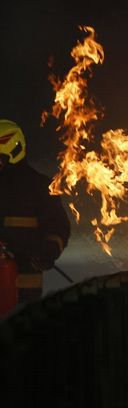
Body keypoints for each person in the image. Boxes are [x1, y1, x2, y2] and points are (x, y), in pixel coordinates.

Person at [0, 119, 71, 305]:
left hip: (23, 290)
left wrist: (49, 251)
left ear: (13, 149)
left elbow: (59, 227)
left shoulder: (39, 187)